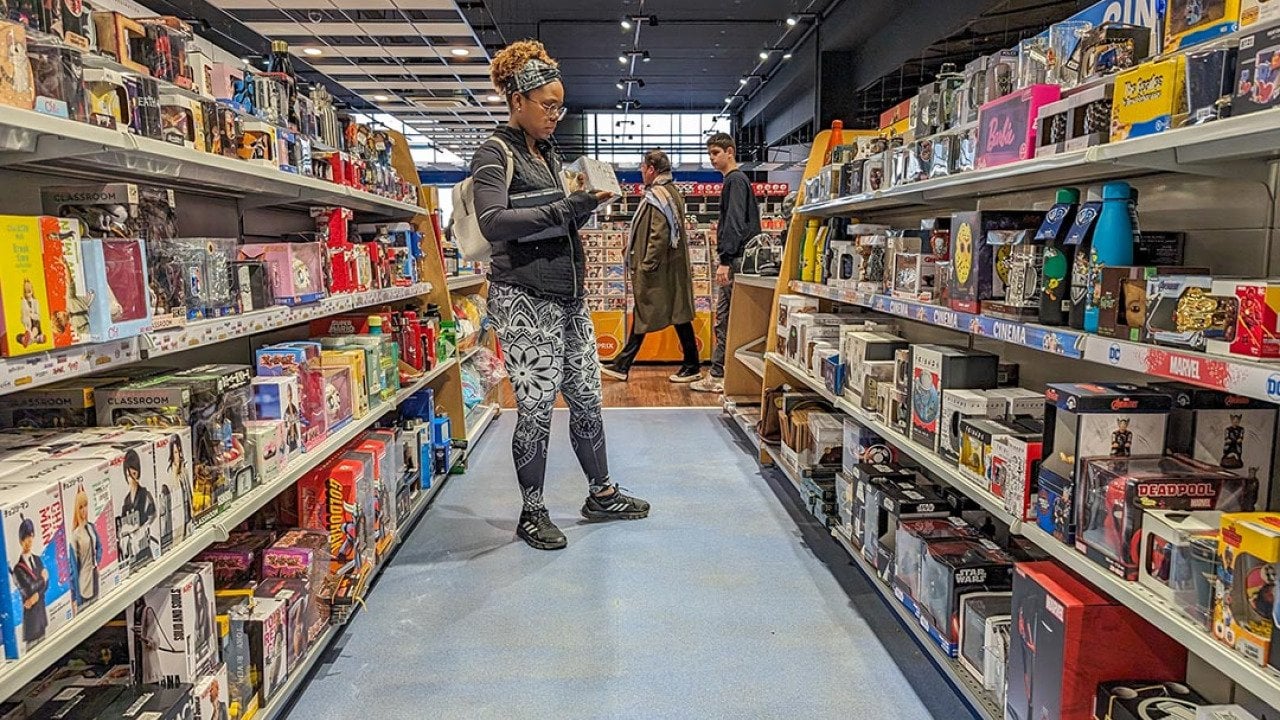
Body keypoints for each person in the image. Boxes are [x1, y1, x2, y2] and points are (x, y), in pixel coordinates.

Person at [470, 39, 650, 551]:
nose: (555, 115)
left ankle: (602, 492)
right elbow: (494, 222)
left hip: (569, 297)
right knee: (536, 406)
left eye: (559, 106)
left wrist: (585, 205)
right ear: (517, 100)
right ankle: (532, 511)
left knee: (588, 395)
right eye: (547, 105)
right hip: (524, 297)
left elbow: (558, 220)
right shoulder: (495, 151)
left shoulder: (548, 154)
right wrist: (567, 210)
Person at [600, 149, 700, 383]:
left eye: (643, 168)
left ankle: (623, 363)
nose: (641, 172)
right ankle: (690, 363)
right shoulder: (669, 192)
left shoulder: (659, 195)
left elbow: (659, 234)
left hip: (658, 269)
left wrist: (646, 265)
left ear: (652, 169)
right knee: (676, 313)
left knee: (648, 310)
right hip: (669, 267)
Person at [692, 132, 761, 394]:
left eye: (716, 153)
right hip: (742, 258)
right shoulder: (738, 181)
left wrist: (725, 260)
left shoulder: (734, 180)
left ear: (729, 152)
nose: (711, 158)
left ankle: (719, 374)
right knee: (729, 316)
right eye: (709, 153)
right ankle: (723, 372)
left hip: (736, 259)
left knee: (725, 316)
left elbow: (733, 222)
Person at [13, 516, 48, 645]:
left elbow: (46, 583)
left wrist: (37, 595)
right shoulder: (18, 569)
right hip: (31, 624)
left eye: (30, 536)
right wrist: (42, 579)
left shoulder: (38, 559)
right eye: (24, 538)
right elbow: (29, 588)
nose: (28, 541)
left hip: (42, 619)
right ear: (20, 541)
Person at [69, 486, 102, 607]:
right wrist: (74, 596)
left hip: (94, 576)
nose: (84, 510)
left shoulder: (91, 527)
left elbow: (99, 546)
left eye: (86, 505)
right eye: (81, 507)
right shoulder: (75, 535)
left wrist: (96, 562)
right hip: (83, 582)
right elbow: (73, 566)